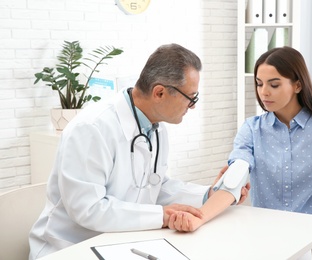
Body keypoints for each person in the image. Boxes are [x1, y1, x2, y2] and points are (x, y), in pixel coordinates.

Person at [28, 43, 249, 259]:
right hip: (70, 247)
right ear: (160, 93)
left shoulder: (155, 126)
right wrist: (162, 215)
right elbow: (89, 209)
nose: (192, 106)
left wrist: (206, 195)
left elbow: (155, 183)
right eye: (191, 98)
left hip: (120, 242)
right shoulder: (92, 128)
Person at [228, 46, 312, 259]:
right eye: (259, 84)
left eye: (274, 84)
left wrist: (311, 233)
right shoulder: (251, 129)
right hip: (265, 235)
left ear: (297, 85)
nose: (264, 92)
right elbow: (238, 164)